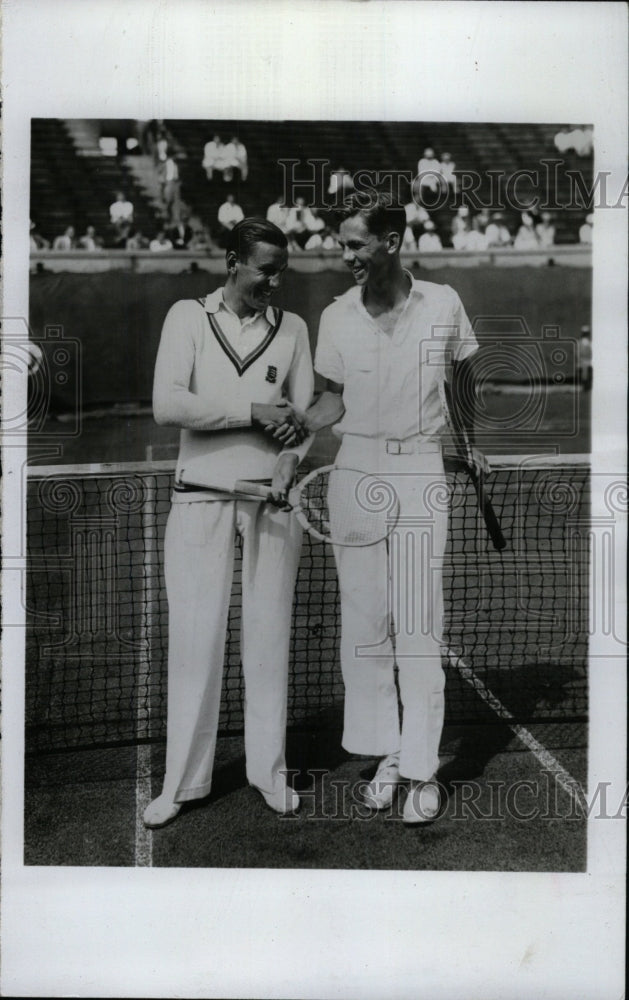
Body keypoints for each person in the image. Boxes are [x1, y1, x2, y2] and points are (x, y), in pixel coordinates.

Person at [300, 193, 485, 825]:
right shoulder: (336, 316)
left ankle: (423, 771)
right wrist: (294, 436)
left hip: (419, 472)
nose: (343, 254)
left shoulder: (444, 302)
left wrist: (471, 446)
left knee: (418, 625)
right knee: (365, 626)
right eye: (341, 243)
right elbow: (331, 401)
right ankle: (386, 757)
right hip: (354, 469)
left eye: (355, 243)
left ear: (392, 241)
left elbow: (461, 380)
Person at [144, 217, 314, 828]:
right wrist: (251, 412)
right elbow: (169, 403)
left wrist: (290, 461)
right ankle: (181, 784)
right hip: (199, 498)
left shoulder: (292, 328)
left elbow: (301, 424)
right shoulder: (186, 317)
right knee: (195, 644)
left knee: (269, 642)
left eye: (281, 271)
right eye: (266, 268)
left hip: (271, 505)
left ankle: (270, 773)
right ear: (232, 262)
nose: (275, 280)